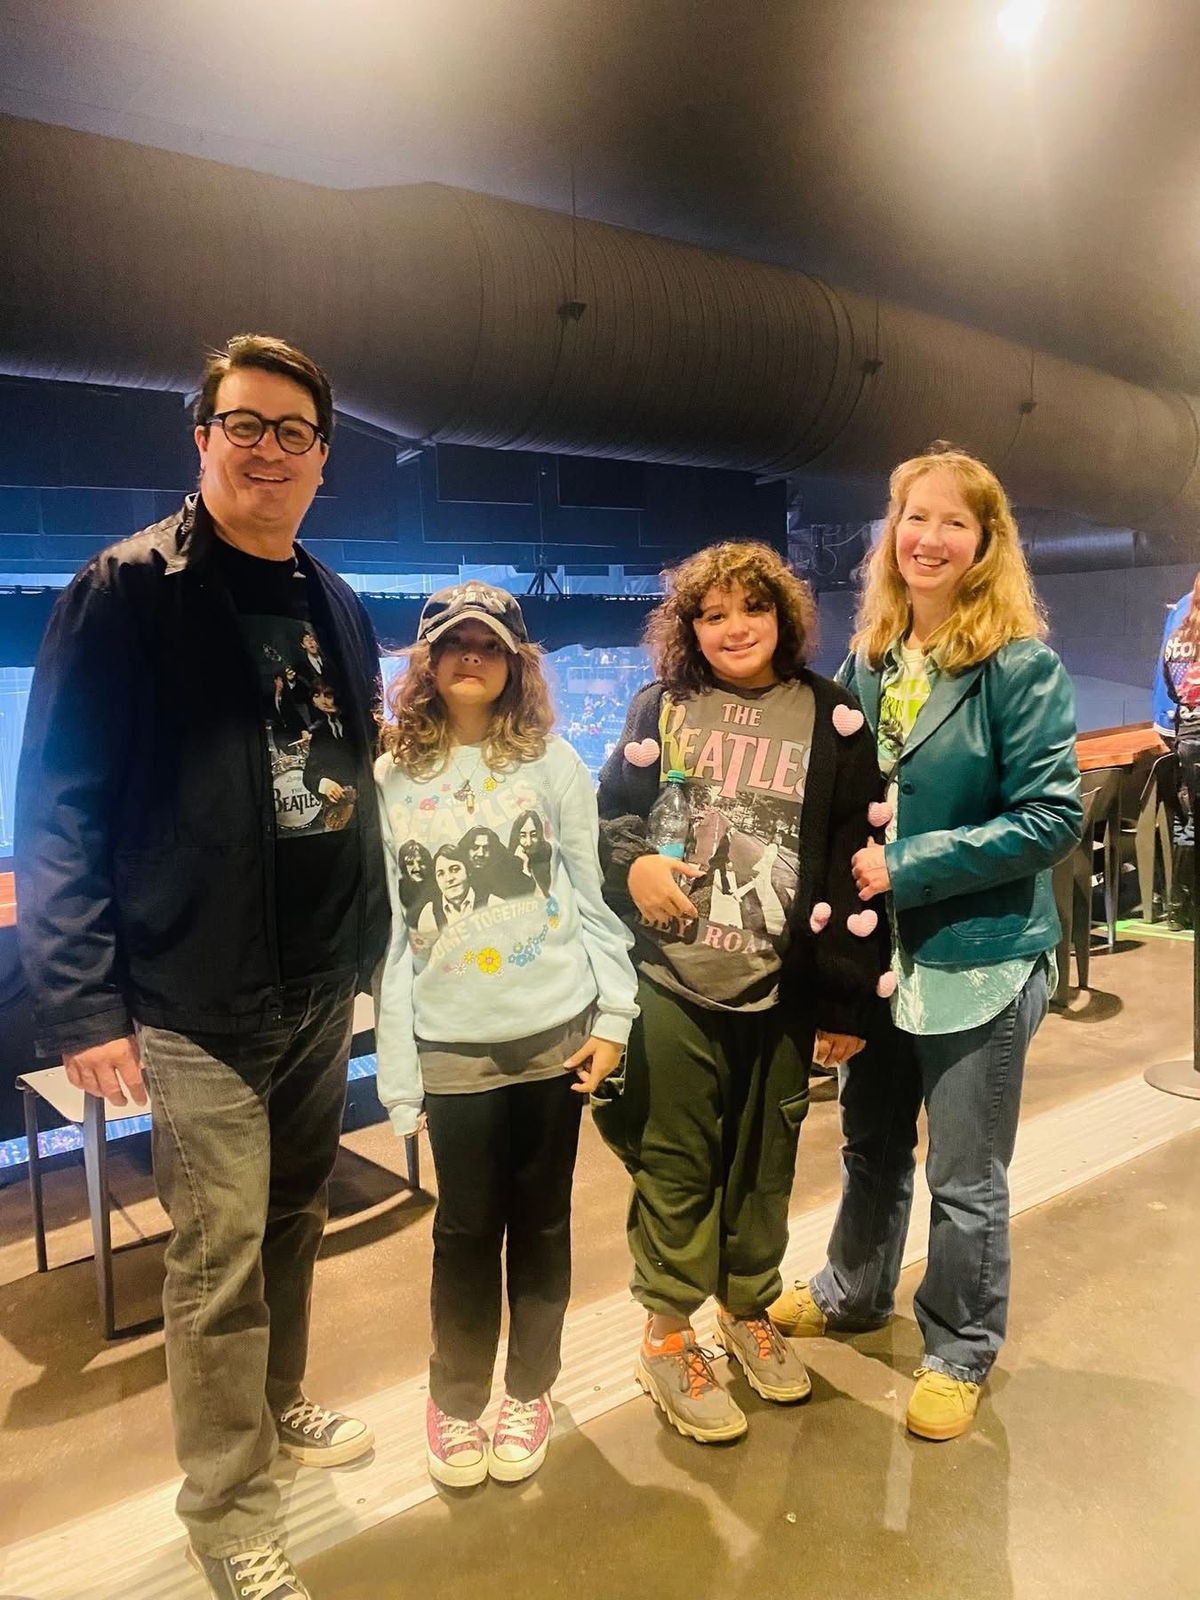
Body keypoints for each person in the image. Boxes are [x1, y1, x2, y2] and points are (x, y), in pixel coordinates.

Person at [15, 334, 391, 1600]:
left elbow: (348, 784)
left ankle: (280, 1405)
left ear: (323, 461)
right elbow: (57, 806)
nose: (270, 449)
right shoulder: (127, 591)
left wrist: (363, 952)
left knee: (295, 1219)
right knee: (217, 1255)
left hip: (313, 983)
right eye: (247, 424)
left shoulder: (334, 600)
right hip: (189, 996)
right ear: (203, 438)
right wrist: (83, 1002)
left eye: (295, 432)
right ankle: (225, 1508)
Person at [770, 445, 1082, 1442]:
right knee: (868, 1146)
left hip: (979, 960)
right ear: (890, 535)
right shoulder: (871, 657)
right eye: (915, 517)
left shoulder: (1020, 665)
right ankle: (856, 1285)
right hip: (882, 963)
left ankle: (958, 1346)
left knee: (965, 1175)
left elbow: (1050, 817)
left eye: (955, 521)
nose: (930, 537)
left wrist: (914, 862)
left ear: (986, 544)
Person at [594, 540, 889, 1445]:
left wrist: (845, 1005)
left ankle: (749, 1308)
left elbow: (853, 871)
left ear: (784, 618)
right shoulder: (661, 707)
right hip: (674, 982)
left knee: (766, 1164)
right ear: (688, 628)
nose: (733, 628)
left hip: (784, 992)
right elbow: (610, 820)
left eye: (750, 610)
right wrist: (634, 859)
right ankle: (668, 1334)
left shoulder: (833, 717)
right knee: (677, 1162)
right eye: (712, 614)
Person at [373, 581, 639, 1487]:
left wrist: (614, 1017)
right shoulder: (392, 778)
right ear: (427, 664)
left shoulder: (553, 765)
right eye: (454, 644)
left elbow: (592, 901)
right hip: (453, 1046)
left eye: (490, 644)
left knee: (545, 1222)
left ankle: (530, 1387)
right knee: (464, 1228)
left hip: (554, 1038)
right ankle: (453, 1401)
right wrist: (400, 1073)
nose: (472, 657)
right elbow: (393, 938)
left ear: (517, 662)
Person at [1151, 575, 1200, 926]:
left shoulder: (1179, 635)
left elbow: (1170, 685)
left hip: (1186, 737)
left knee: (1189, 823)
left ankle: (1179, 906)